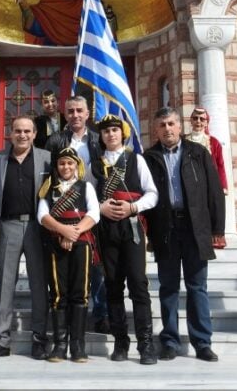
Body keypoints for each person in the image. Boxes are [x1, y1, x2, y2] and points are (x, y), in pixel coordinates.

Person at [143, 107, 226, 363]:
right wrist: (148, 233)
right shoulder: (149, 157)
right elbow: (144, 195)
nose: (167, 129)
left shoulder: (197, 152)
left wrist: (217, 229)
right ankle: (169, 341)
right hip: (166, 229)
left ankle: (202, 342)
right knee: (168, 287)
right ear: (156, 130)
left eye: (171, 124)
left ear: (180, 126)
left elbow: (214, 191)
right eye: (162, 125)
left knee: (197, 287)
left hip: (195, 228)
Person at [0, 115, 51, 360]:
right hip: (7, 226)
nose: (22, 135)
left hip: (37, 227)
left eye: (27, 131)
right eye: (18, 131)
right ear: (10, 133)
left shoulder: (46, 158)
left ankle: (39, 338)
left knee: (39, 285)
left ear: (34, 134)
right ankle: (1, 340)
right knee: (5, 284)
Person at [94, 115, 159, 364]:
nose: (110, 134)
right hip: (107, 230)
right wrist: (101, 208)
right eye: (106, 131)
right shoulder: (94, 165)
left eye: (114, 130)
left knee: (138, 286)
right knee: (112, 286)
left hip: (131, 229)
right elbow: (87, 196)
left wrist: (134, 208)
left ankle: (146, 345)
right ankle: (121, 343)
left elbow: (153, 194)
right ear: (101, 136)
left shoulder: (136, 160)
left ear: (123, 134)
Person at [44, 95, 108, 334]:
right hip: (63, 213)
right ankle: (66, 314)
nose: (75, 115)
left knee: (98, 266)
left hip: (94, 210)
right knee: (64, 266)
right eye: (70, 111)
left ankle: (100, 314)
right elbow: (47, 174)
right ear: (65, 114)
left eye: (79, 111)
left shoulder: (97, 139)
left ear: (88, 113)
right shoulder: (55, 140)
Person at [38, 147, 99, 362]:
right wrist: (62, 230)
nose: (66, 167)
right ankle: (60, 344)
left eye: (70, 163)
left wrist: (72, 233)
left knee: (80, 293)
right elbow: (43, 216)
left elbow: (94, 214)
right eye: (62, 163)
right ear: (57, 166)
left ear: (77, 166)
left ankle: (78, 345)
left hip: (81, 243)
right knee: (57, 294)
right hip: (56, 244)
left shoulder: (86, 187)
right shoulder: (49, 188)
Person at [187, 107, 229, 194]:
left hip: (209, 184)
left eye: (202, 119)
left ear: (206, 123)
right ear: (191, 120)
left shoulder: (214, 142)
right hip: (188, 184)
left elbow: (220, 165)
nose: (198, 121)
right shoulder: (183, 141)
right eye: (195, 118)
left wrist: (223, 186)